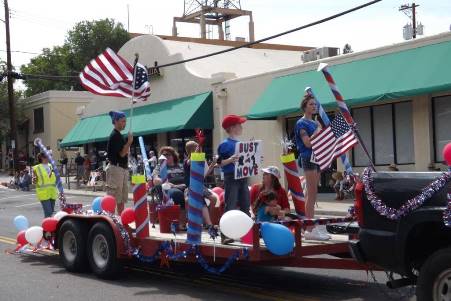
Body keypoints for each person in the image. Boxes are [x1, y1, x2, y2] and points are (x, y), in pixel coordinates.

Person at [294, 93, 330, 241]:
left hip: (318, 157)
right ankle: (309, 228)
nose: (314, 106)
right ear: (304, 106)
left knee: (312, 193)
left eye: (315, 104)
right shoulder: (301, 123)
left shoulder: (315, 123)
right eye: (311, 104)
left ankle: (309, 227)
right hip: (308, 157)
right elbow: (308, 143)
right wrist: (317, 130)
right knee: (312, 192)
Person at [217, 114, 250, 244]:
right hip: (231, 177)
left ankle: (247, 235)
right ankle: (225, 235)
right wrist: (230, 160)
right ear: (231, 128)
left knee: (245, 205)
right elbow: (219, 163)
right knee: (230, 205)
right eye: (238, 125)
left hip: (242, 176)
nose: (241, 127)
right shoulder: (225, 145)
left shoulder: (240, 144)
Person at [183, 140, 218, 229]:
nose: (199, 149)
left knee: (213, 198)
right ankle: (209, 223)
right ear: (191, 150)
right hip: (191, 187)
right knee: (200, 201)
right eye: (196, 148)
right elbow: (189, 162)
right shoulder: (187, 161)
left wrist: (213, 164)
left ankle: (206, 220)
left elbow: (205, 174)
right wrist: (196, 152)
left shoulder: (201, 160)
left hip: (201, 186)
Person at [106, 111, 133, 215]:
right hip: (116, 168)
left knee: (121, 198)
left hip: (122, 169)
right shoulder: (114, 136)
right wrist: (129, 142)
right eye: (122, 121)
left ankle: (121, 223)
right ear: (115, 121)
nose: (125, 123)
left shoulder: (120, 136)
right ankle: (112, 222)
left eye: (125, 121)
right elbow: (121, 154)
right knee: (113, 199)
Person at [152, 146, 187, 228]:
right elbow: (155, 180)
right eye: (163, 155)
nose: (165, 156)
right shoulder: (159, 167)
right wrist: (166, 183)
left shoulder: (181, 166)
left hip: (184, 187)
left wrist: (182, 186)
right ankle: (182, 223)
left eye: (168, 154)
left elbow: (188, 179)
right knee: (176, 193)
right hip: (169, 189)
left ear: (173, 156)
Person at [32, 152, 58, 217]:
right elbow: (34, 181)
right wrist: (34, 179)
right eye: (46, 157)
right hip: (43, 193)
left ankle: (49, 226)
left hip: (52, 193)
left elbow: (53, 178)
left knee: (51, 212)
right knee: (48, 212)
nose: (48, 158)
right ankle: (46, 226)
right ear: (41, 158)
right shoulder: (36, 168)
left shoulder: (50, 166)